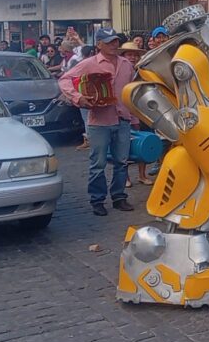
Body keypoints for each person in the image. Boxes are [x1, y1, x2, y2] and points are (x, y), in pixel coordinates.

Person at [58, 28, 135, 216]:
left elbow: (132, 90)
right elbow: (65, 79)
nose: (114, 45)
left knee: (122, 161)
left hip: (123, 119)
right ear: (99, 44)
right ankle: (97, 200)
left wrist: (134, 117)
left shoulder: (126, 64)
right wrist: (78, 98)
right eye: (109, 42)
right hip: (100, 121)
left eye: (116, 41)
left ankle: (119, 197)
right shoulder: (89, 63)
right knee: (98, 163)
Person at [118, 41, 153, 187]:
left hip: (141, 111)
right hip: (125, 111)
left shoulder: (143, 70)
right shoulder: (118, 70)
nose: (132, 57)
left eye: (135, 55)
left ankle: (142, 175)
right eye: (129, 54)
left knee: (143, 143)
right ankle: (125, 177)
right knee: (124, 145)